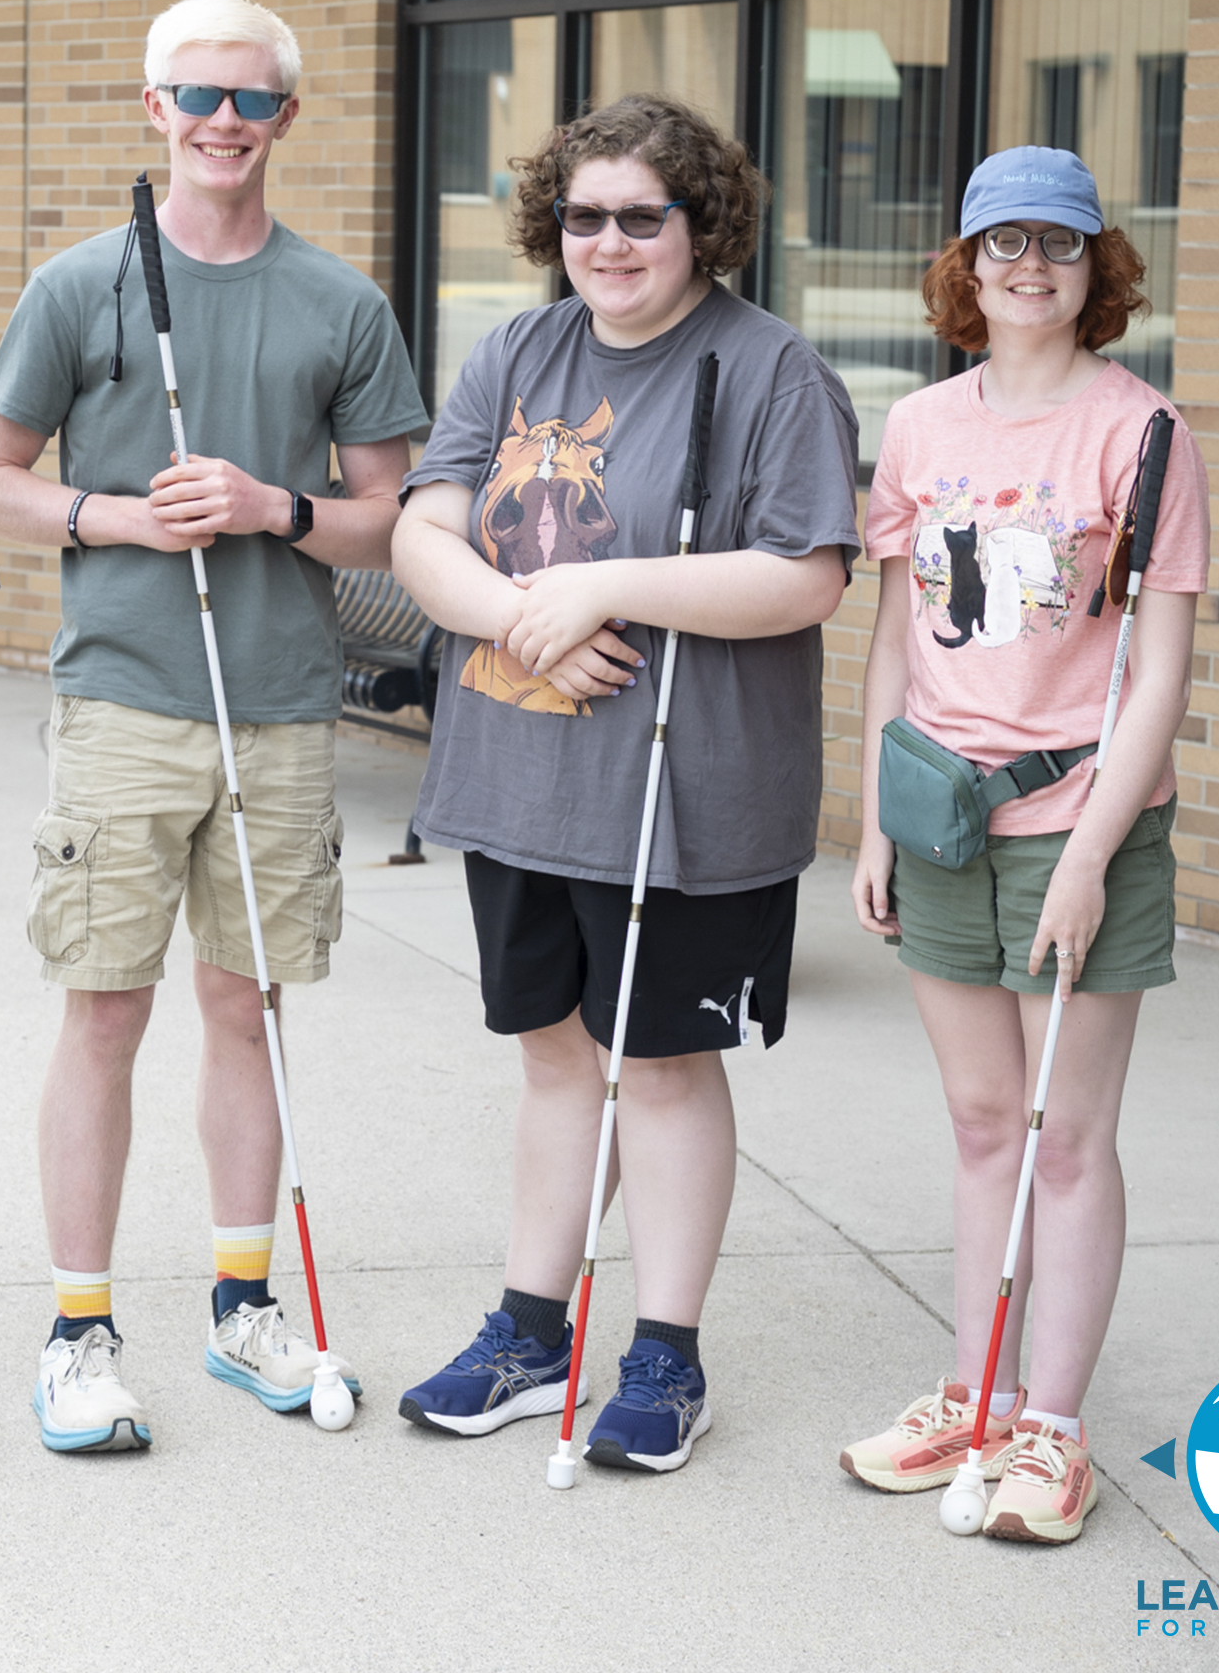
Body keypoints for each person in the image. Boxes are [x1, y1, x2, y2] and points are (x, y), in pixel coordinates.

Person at [0, 0, 425, 1452]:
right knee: (104, 1008)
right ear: (153, 110)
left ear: (288, 116)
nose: (225, 123)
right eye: (197, 97)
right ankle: (79, 1330)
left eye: (253, 100)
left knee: (248, 1006)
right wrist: (117, 517)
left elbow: (389, 522)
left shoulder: (342, 303)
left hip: (277, 712)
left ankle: (241, 1305)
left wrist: (272, 508)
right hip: (122, 700)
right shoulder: (82, 284)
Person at [393, 94, 859, 1474]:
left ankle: (666, 1356)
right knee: (555, 1058)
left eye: (640, 216)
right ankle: (534, 1336)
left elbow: (806, 575)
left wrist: (600, 584)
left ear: (698, 222)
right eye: (584, 215)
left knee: (657, 1067)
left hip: (686, 791)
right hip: (519, 773)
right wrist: (509, 612)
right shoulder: (519, 349)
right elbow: (424, 525)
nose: (608, 241)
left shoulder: (769, 372)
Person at [839, 146, 1210, 1542]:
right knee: (985, 1119)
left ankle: (1053, 1434)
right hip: (938, 807)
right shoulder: (924, 426)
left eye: (1059, 244)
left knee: (1069, 1137)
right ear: (968, 264)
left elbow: (1159, 677)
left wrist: (1090, 852)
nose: (1030, 267)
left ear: (1096, 265)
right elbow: (892, 635)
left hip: (1083, 821)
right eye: (1004, 244)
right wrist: (874, 810)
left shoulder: (1144, 431)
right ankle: (972, 1394)